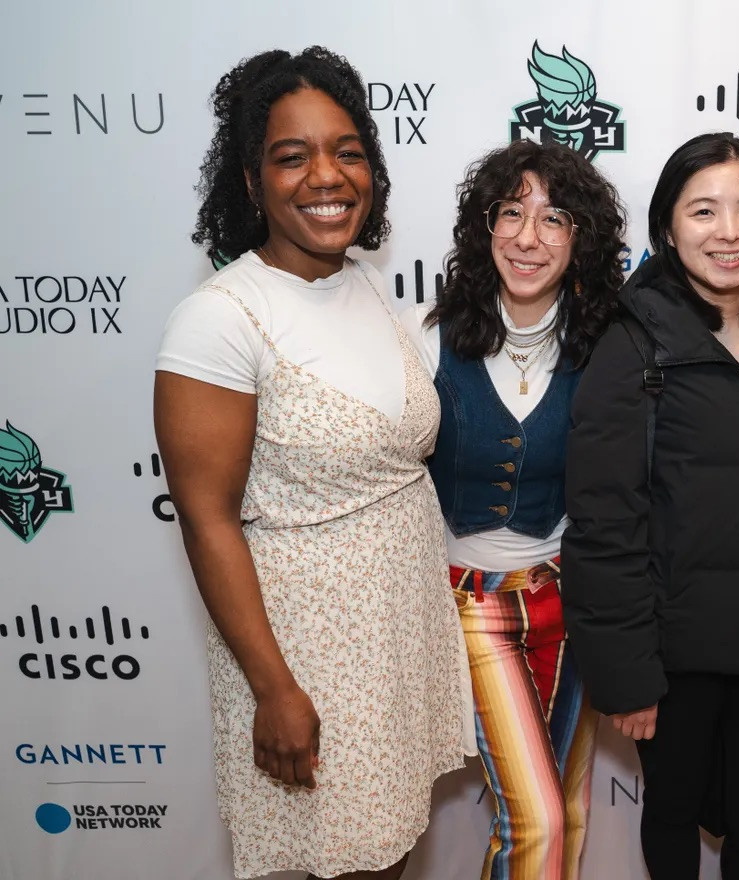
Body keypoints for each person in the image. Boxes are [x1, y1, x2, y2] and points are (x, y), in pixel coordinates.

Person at [154, 47, 474, 880]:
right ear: (251, 181)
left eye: (347, 152)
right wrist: (274, 690)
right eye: (292, 156)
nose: (326, 176)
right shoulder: (221, 319)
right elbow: (208, 521)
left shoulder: (362, 283)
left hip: (395, 636)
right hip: (309, 658)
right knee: (349, 858)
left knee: (387, 853)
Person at [560, 132, 739, 880]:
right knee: (675, 814)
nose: (729, 232)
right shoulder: (633, 344)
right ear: (668, 226)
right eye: (704, 210)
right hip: (677, 654)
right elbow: (603, 522)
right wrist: (627, 672)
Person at [399, 139, 625, 880]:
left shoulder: (607, 346)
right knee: (538, 820)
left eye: (554, 218)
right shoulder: (426, 337)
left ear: (581, 239)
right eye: (511, 213)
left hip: (573, 602)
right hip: (471, 606)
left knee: (566, 812)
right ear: (485, 225)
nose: (529, 237)